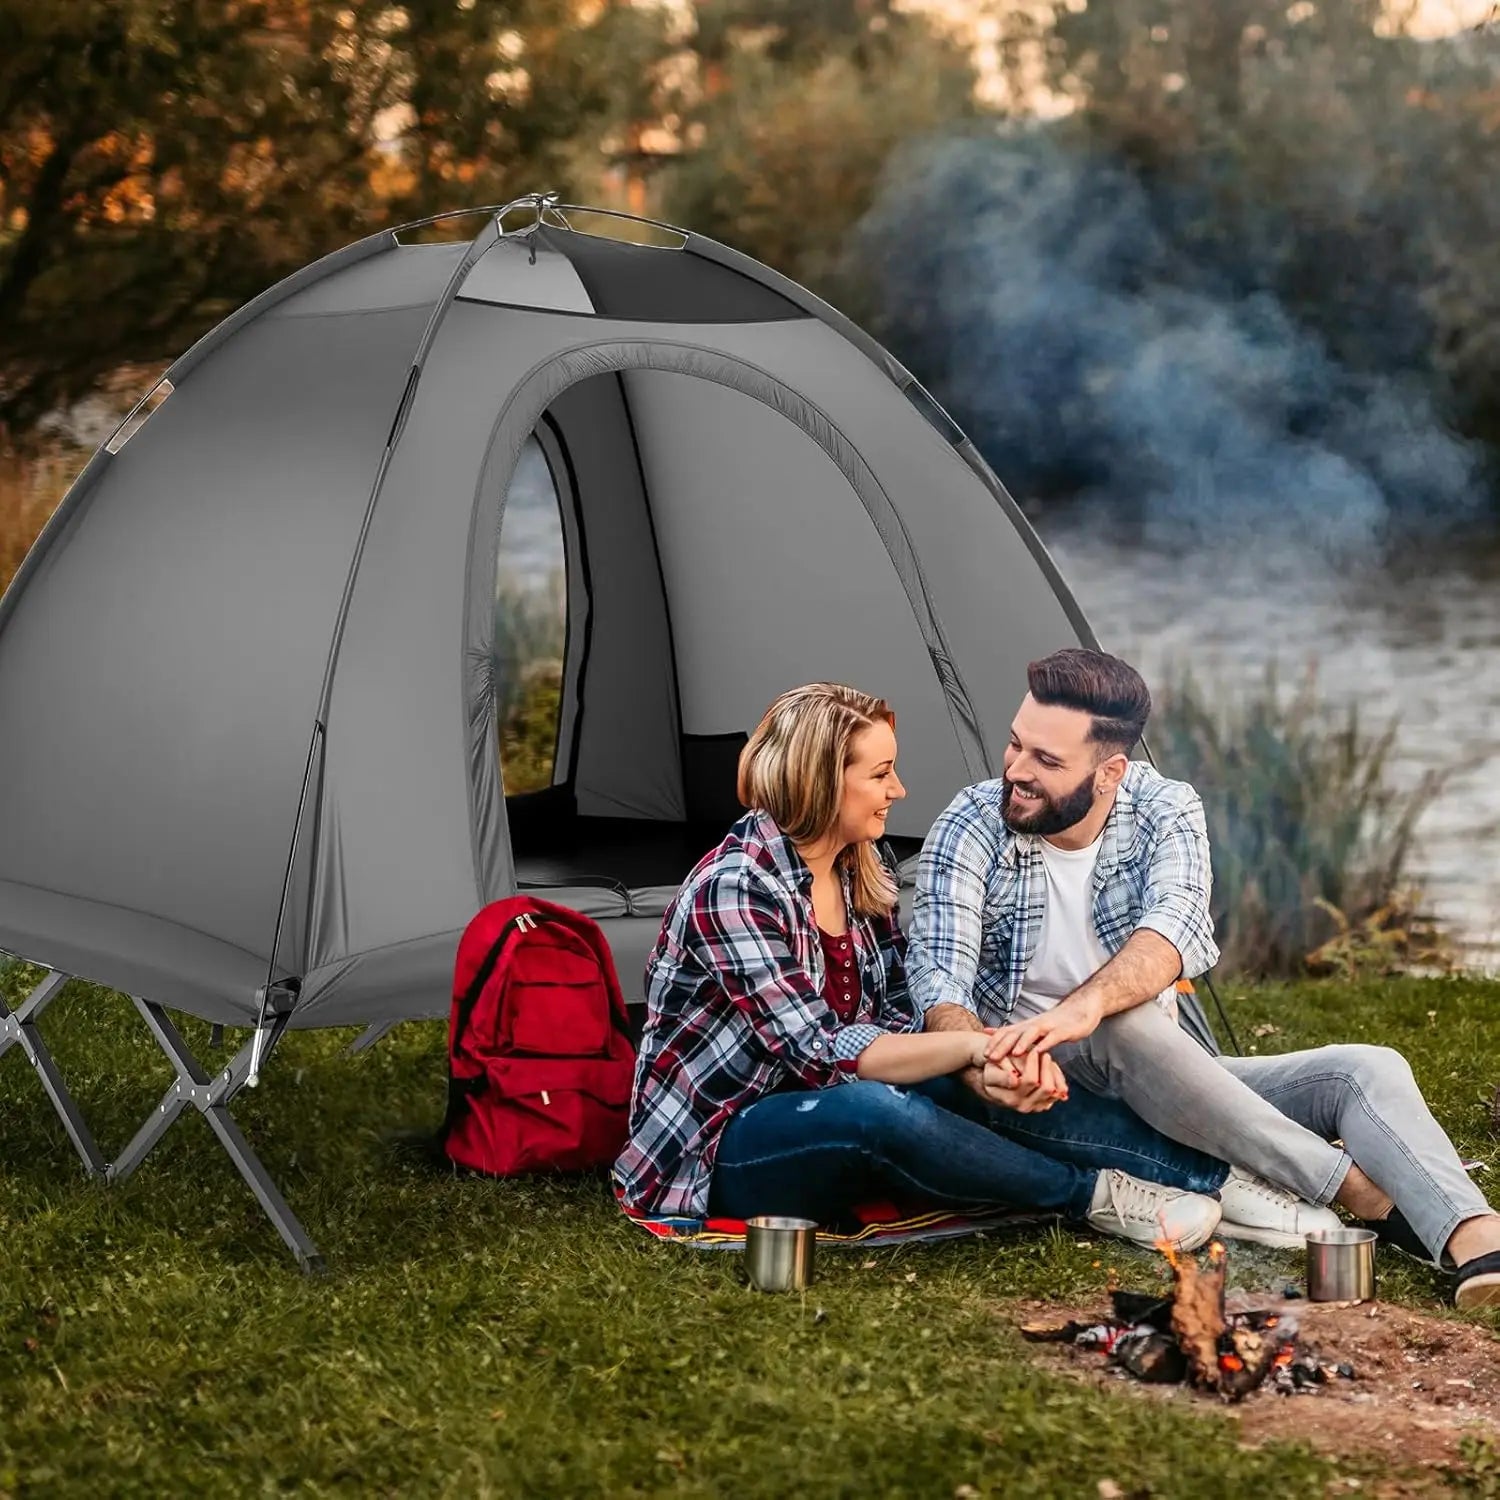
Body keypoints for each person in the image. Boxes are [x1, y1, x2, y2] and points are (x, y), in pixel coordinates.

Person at [908, 647, 1500, 1311]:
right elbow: (940, 981)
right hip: (1037, 1086)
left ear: (1110, 773)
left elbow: (1170, 934)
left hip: (1166, 1073)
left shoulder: (1165, 808)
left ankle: (1474, 1235)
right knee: (1123, 1025)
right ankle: (1361, 1193)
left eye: (1046, 761)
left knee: (1366, 1068)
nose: (1015, 770)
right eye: (1016, 745)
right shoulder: (973, 820)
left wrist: (1082, 1008)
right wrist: (980, 1056)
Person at [614, 682, 1231, 1251]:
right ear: (822, 783)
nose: (899, 789)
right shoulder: (737, 889)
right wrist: (974, 1053)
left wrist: (986, 1063)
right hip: (717, 1148)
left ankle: (1212, 1177)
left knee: (959, 1078)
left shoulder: (859, 864)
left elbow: (894, 1015)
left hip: (832, 1094)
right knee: (879, 1109)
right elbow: (818, 1051)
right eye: (881, 773)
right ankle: (1091, 1197)